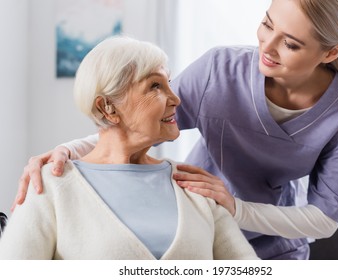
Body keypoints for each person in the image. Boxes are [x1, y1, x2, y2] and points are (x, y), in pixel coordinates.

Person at [13, 0, 338, 260]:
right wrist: (68, 151)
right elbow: (137, 123)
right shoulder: (219, 71)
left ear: (330, 53)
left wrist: (235, 208)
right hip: (196, 231)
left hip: (276, 249)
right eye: (268, 24)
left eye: (291, 43)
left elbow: (326, 218)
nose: (266, 47)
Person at [0, 35, 258, 260]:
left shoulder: (195, 186)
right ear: (107, 108)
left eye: (169, 83)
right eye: (155, 86)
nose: (176, 98)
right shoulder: (52, 185)